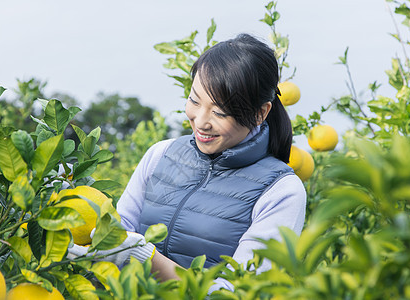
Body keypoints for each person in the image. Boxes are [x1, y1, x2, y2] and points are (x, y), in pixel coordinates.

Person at [70, 33, 306, 291]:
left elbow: (238, 294)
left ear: (261, 113)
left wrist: (146, 259)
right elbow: (118, 231)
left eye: (220, 112)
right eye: (194, 100)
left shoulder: (281, 192)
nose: (201, 121)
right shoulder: (161, 154)